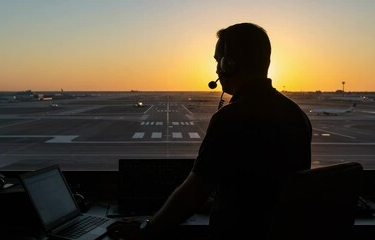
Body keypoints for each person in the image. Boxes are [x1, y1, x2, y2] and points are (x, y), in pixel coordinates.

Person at [108, 22, 312, 240]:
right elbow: (263, 190)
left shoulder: (232, 118)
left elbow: (194, 193)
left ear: (229, 63)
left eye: (218, 61)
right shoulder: (297, 114)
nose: (216, 69)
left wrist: (146, 229)